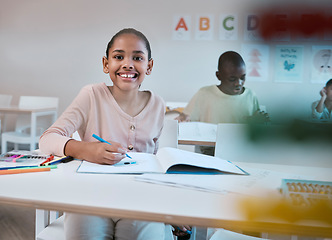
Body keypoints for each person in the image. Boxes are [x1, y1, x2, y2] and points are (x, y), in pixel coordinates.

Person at [39, 28, 168, 240]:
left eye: (137, 57)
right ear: (106, 64)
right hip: (90, 195)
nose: (128, 64)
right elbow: (47, 139)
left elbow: (153, 158)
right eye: (119, 57)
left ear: (149, 66)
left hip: (140, 198)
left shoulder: (158, 105)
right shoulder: (91, 95)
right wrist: (85, 149)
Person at [176, 51, 269, 156]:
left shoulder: (250, 96)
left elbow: (256, 132)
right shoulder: (204, 94)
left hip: (239, 150)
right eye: (232, 79)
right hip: (209, 151)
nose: (239, 83)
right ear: (218, 75)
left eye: (242, 77)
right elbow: (184, 119)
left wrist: (258, 123)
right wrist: (182, 120)